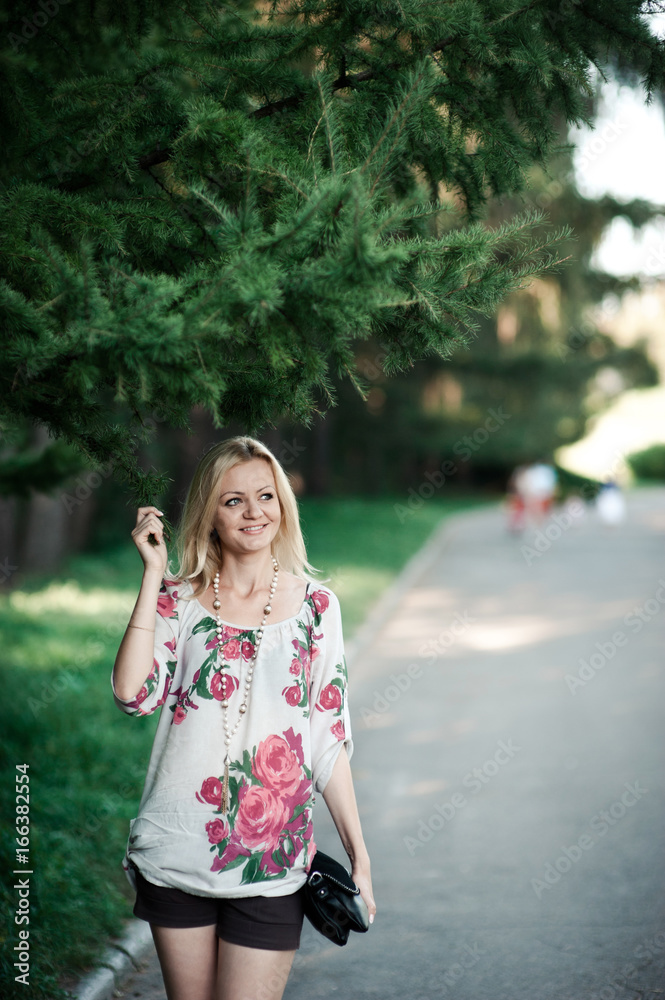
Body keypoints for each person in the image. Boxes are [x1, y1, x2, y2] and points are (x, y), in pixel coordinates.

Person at [112, 436, 376, 1000]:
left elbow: (327, 739)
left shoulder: (316, 608)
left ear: (283, 505)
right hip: (177, 849)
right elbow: (133, 695)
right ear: (209, 513)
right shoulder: (177, 601)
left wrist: (360, 854)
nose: (253, 512)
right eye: (233, 500)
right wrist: (153, 575)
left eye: (265, 496)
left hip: (273, 864)